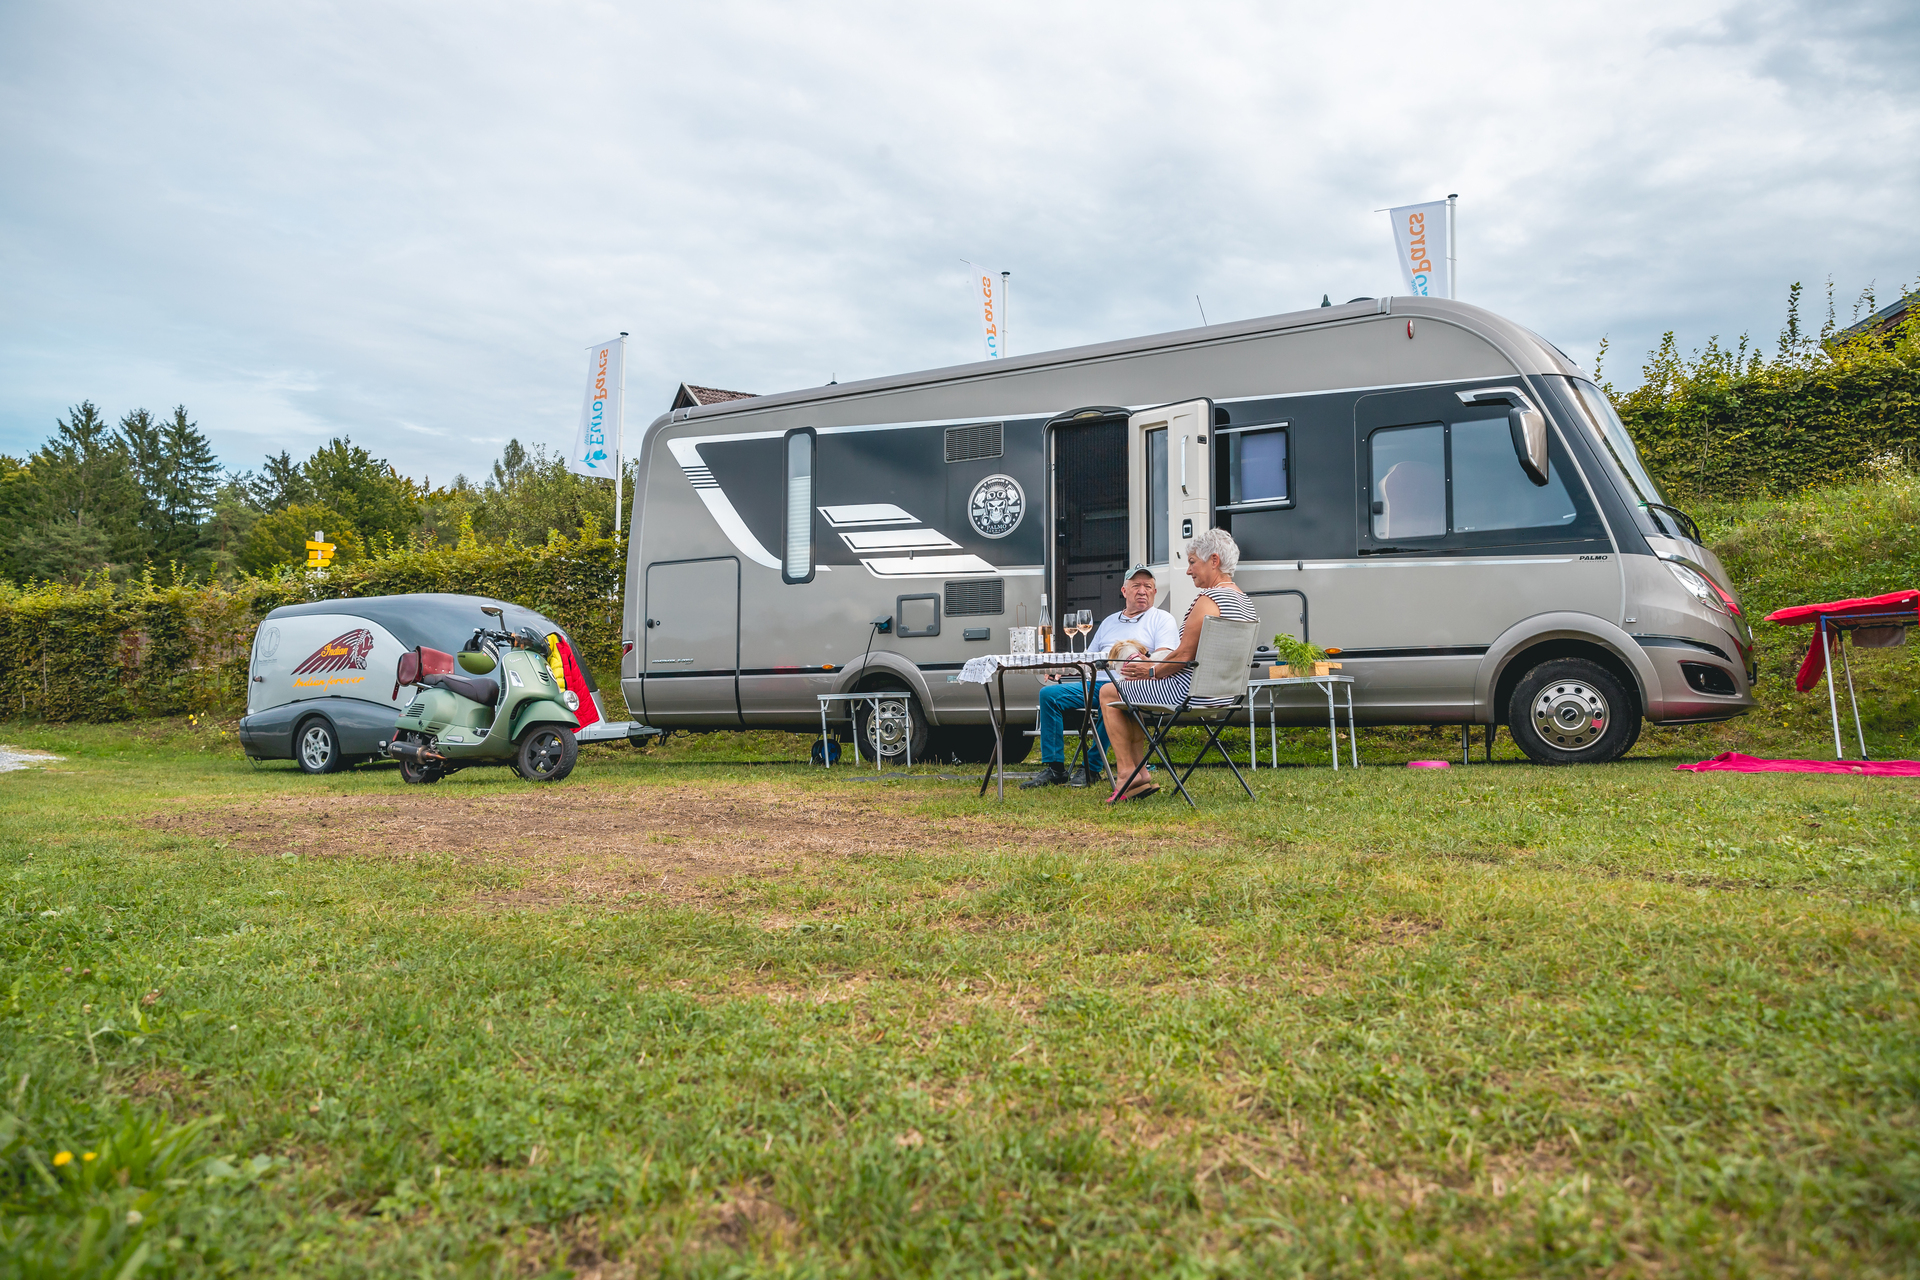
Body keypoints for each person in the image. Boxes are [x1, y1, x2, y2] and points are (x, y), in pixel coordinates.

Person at [1099, 528, 1259, 803]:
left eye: (1193, 562)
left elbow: (1185, 655)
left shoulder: (1209, 600)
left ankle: (1128, 775)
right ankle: (1139, 774)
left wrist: (1151, 670)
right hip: (1224, 693)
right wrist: (1153, 668)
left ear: (1214, 561)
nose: (1188, 570)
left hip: (1188, 693)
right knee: (1130, 690)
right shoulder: (1245, 602)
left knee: (1110, 692)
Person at [1021, 566, 1179, 789]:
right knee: (1049, 695)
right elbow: (1088, 659)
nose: (1142, 591)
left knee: (1110, 696)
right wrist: (1063, 669)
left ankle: (1091, 767)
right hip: (1096, 682)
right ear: (1124, 591)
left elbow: (1164, 656)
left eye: (1148, 586)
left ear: (1154, 592)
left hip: (1132, 686)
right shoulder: (1109, 622)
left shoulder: (1161, 619)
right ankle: (1055, 768)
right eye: (1136, 586)